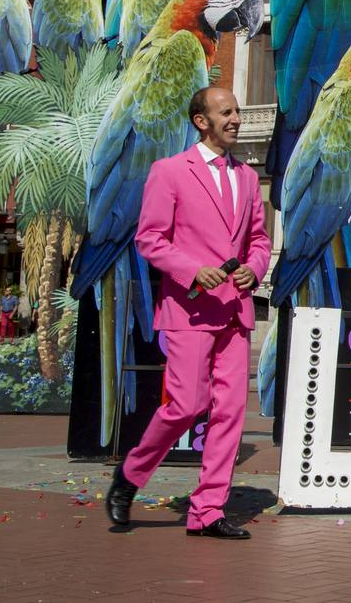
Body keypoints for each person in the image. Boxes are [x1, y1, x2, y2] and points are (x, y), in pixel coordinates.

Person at [105, 87, 271, 540]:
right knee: (185, 405)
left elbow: (259, 240)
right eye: (226, 112)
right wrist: (194, 271)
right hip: (189, 309)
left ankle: (208, 511)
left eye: (237, 110)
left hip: (235, 312)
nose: (236, 118)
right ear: (201, 120)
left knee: (230, 412)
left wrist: (253, 272)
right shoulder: (170, 172)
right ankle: (130, 477)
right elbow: (150, 239)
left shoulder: (249, 179)